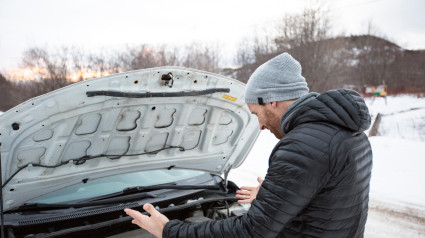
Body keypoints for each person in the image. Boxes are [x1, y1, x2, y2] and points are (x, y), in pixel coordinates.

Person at [124, 52, 373, 237]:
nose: (261, 126)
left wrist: (170, 230)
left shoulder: (301, 146)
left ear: (272, 101)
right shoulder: (350, 133)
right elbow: (330, 205)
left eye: (255, 113)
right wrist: (277, 197)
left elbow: (251, 232)